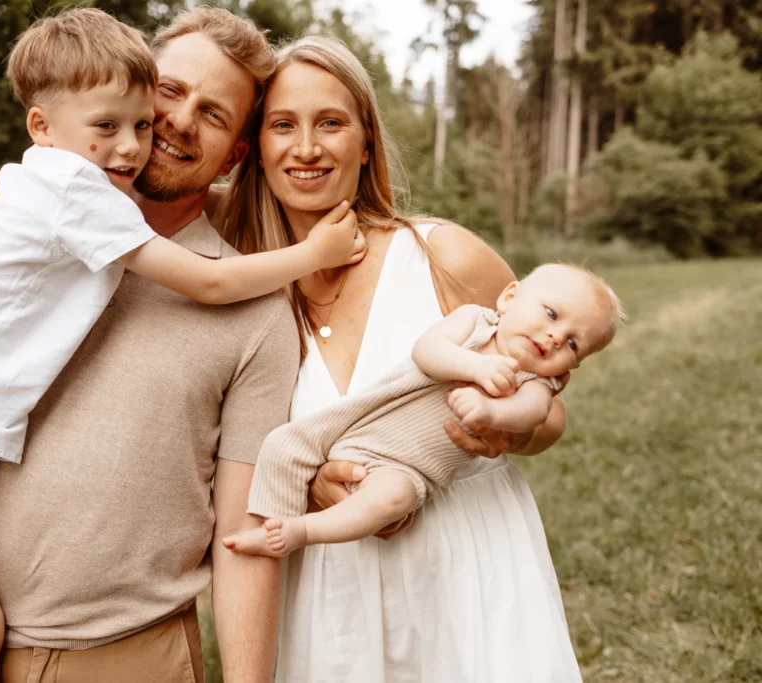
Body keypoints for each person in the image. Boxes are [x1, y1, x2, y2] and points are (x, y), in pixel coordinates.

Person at [0, 9, 369, 683]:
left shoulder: (254, 314)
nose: (172, 122)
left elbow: (241, 538)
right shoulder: (27, 239)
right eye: (167, 93)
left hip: (123, 656)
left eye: (213, 114)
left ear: (234, 154)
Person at [218, 35, 585, 681]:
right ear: (257, 148)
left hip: (463, 566)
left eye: (330, 122)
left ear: (366, 144)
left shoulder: (445, 254)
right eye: (283, 124)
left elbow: (551, 409)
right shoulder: (241, 286)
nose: (306, 147)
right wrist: (307, 482)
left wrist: (510, 429)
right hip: (325, 590)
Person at [223, 264, 622, 557]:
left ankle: (297, 532)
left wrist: (489, 412)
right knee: (284, 444)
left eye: (573, 344)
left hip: (406, 469)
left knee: (390, 501)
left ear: (573, 367)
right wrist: (476, 367)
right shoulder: (474, 322)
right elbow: (427, 352)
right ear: (510, 298)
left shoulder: (536, 384)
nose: (555, 337)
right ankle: (263, 523)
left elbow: (531, 416)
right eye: (551, 314)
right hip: (361, 422)